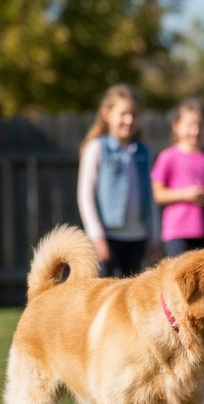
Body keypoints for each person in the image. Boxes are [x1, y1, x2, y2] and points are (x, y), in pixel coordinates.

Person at [77, 84, 158, 277]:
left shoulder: (144, 152)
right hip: (107, 237)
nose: (129, 120)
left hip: (138, 237)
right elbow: (85, 195)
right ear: (107, 114)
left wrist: (154, 236)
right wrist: (97, 236)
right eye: (123, 114)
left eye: (134, 114)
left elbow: (152, 196)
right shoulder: (96, 148)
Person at [151, 98, 204, 258]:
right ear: (176, 126)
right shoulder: (168, 157)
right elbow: (158, 194)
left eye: (200, 125)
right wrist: (186, 195)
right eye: (189, 126)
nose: (195, 131)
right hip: (176, 233)